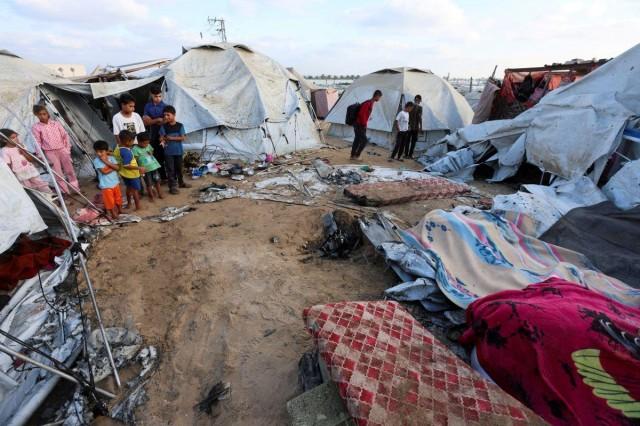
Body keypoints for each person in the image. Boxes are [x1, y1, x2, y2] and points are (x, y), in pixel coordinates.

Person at [31, 105, 79, 194]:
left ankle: (76, 189)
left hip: (62, 150)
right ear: (36, 115)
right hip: (50, 152)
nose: (43, 116)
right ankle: (65, 192)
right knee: (58, 174)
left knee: (70, 171)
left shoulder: (56, 123)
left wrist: (67, 149)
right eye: (40, 114)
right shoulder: (36, 127)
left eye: (44, 114)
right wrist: (40, 155)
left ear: (47, 113)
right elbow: (37, 142)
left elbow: (65, 136)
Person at [0, 128, 51, 193]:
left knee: (41, 185)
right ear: (4, 140)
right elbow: (7, 166)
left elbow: (31, 159)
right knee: (30, 190)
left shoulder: (21, 146)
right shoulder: (4, 151)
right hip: (20, 175)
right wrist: (13, 178)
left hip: (30, 170)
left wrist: (24, 152)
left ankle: (50, 195)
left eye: (16, 136)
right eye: (13, 138)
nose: (16, 139)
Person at [159, 105, 190, 194]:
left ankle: (181, 183)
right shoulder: (164, 126)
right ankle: (172, 186)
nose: (166, 117)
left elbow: (183, 138)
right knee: (170, 169)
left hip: (178, 151)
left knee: (179, 168)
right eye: (164, 115)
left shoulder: (180, 126)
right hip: (168, 152)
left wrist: (171, 138)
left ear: (174, 115)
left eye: (168, 115)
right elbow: (161, 137)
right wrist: (162, 140)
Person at [113, 130, 145, 210]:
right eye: (132, 141)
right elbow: (126, 165)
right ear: (127, 142)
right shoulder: (126, 152)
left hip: (124, 173)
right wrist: (139, 168)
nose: (133, 142)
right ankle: (138, 206)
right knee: (135, 191)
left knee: (128, 188)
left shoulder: (117, 147)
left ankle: (129, 204)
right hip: (132, 174)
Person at [93, 140, 122, 219]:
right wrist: (113, 167)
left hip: (115, 182)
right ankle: (113, 214)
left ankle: (120, 210)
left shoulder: (111, 158)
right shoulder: (96, 161)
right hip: (106, 185)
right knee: (110, 201)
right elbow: (104, 172)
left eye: (101, 151)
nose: (99, 154)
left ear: (106, 151)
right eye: (97, 152)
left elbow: (118, 168)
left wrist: (106, 161)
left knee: (118, 198)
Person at [142, 85, 167, 180]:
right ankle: (159, 177)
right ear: (151, 95)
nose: (158, 98)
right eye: (156, 96)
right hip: (152, 134)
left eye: (160, 96)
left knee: (164, 155)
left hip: (163, 133)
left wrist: (152, 120)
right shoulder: (147, 106)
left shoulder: (165, 106)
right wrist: (157, 120)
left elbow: (165, 121)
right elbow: (145, 122)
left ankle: (166, 177)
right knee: (155, 155)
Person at [350, 89, 382, 160]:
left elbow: (364, 114)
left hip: (359, 124)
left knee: (357, 139)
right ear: (377, 96)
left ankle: (352, 156)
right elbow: (361, 114)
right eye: (379, 97)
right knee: (364, 141)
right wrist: (364, 124)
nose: (379, 99)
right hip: (359, 125)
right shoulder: (368, 103)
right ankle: (356, 156)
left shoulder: (370, 103)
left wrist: (365, 122)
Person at [133, 131, 163, 201]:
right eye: (144, 143)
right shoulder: (135, 149)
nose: (146, 145)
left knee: (157, 181)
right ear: (138, 142)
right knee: (149, 183)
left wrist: (151, 153)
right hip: (145, 170)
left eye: (147, 143)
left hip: (154, 167)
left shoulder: (148, 145)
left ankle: (160, 193)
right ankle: (151, 196)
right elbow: (135, 159)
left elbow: (152, 151)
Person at [405, 94, 423, 159]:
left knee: (413, 142)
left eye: (418, 100)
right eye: (416, 100)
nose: (417, 101)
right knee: (408, 141)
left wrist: (420, 127)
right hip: (410, 126)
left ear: (420, 101)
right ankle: (407, 154)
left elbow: (420, 117)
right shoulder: (411, 106)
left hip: (415, 127)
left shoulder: (420, 108)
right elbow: (406, 115)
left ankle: (409, 154)